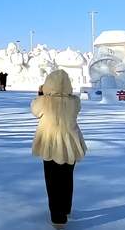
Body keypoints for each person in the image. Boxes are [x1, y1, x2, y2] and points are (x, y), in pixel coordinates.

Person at [31, 70, 87, 228]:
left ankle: (58, 217)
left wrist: (41, 93)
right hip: (71, 143)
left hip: (51, 144)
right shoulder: (74, 101)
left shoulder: (44, 101)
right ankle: (66, 209)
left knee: (52, 180)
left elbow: (34, 110)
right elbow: (76, 110)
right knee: (67, 178)